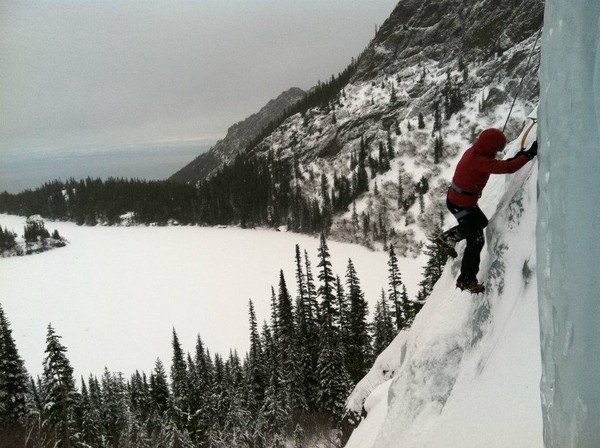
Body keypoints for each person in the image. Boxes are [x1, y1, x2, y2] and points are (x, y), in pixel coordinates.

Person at [436, 128, 537, 293]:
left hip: (459, 201)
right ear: (490, 147)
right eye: (498, 148)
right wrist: (529, 154)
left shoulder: (474, 152)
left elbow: (502, 164)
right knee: (476, 241)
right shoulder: (480, 161)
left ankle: (447, 238)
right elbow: (508, 167)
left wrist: (519, 158)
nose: (498, 152)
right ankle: (466, 280)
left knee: (481, 222)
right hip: (462, 205)